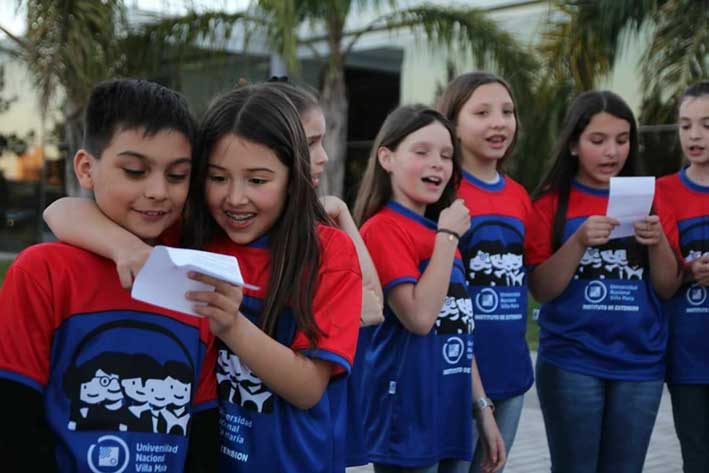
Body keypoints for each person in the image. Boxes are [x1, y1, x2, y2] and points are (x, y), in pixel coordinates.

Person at [48, 83, 362, 472]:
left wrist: (231, 324)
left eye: (258, 180)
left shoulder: (328, 253)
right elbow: (61, 212)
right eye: (218, 178)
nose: (235, 198)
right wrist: (124, 248)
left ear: (293, 176)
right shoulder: (189, 235)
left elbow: (308, 388)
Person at [0, 78, 218, 473]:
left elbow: (201, 432)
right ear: (86, 168)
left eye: (177, 175)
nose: (157, 191)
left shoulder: (192, 279)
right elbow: (12, 421)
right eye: (135, 171)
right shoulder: (42, 272)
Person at [526, 90, 681, 473]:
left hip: (639, 364)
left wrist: (658, 242)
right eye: (598, 141)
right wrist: (579, 240)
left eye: (622, 140)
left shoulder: (654, 197)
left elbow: (667, 288)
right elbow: (542, 289)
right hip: (571, 361)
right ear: (574, 145)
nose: (612, 151)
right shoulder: (550, 203)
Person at [353, 104, 505, 473]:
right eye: (422, 152)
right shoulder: (384, 229)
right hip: (406, 421)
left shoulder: (439, 234)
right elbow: (419, 317)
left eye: (447, 155)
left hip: (449, 411)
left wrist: (482, 407)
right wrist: (449, 236)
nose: (437, 163)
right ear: (387, 158)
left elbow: (456, 325)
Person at [437, 72, 533, 473]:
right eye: (482, 112)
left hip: (511, 375)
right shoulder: (442, 191)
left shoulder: (519, 195)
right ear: (453, 126)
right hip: (455, 376)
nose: (499, 122)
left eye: (507, 112)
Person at [656, 80, 709, 473]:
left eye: (707, 124)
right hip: (689, 356)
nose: (695, 136)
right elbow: (655, 275)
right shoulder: (661, 192)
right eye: (686, 124)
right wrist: (689, 272)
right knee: (697, 456)